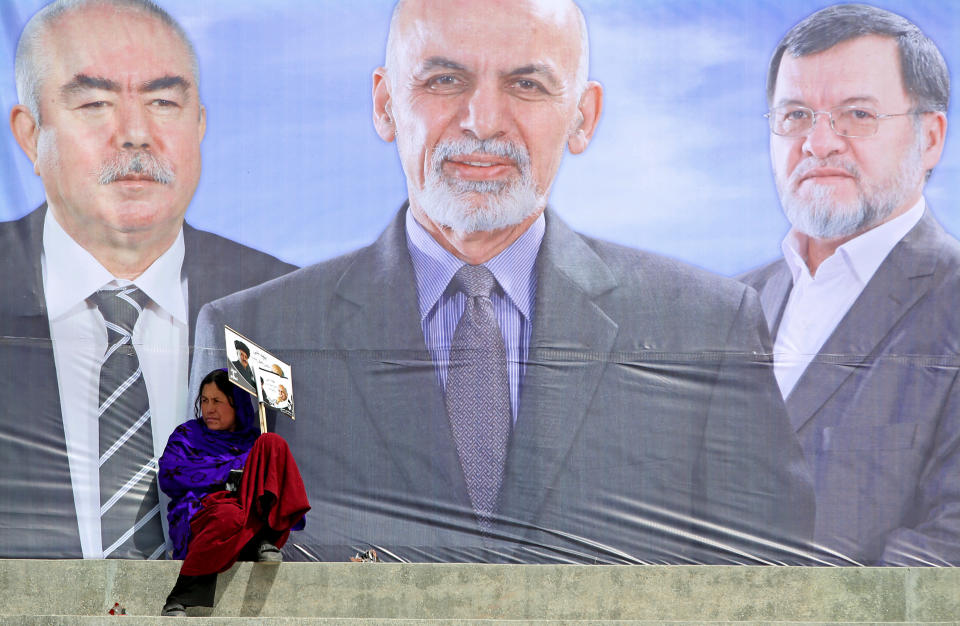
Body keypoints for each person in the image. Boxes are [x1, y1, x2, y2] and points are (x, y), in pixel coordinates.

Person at [193, 0, 814, 564]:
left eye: (527, 83)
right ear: (385, 105)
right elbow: (213, 567)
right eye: (445, 79)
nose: (483, 120)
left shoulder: (709, 327)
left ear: (582, 116)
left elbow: (771, 585)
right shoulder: (258, 338)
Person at [0, 0, 296, 559]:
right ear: (30, 133)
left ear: (199, 125)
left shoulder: (283, 303)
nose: (135, 133)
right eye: (95, 103)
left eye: (164, 102)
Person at [741, 4, 960, 565]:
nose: (819, 143)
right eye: (794, 115)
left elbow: (946, 555)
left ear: (930, 138)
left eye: (857, 115)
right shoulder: (730, 305)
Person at [158, 369, 309, 616]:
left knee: (273, 443)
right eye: (204, 401)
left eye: (217, 401)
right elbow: (169, 475)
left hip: (248, 520)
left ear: (236, 404)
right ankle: (181, 596)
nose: (209, 409)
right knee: (229, 514)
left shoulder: (254, 442)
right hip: (203, 515)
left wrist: (245, 476)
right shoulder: (188, 435)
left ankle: (267, 538)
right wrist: (227, 474)